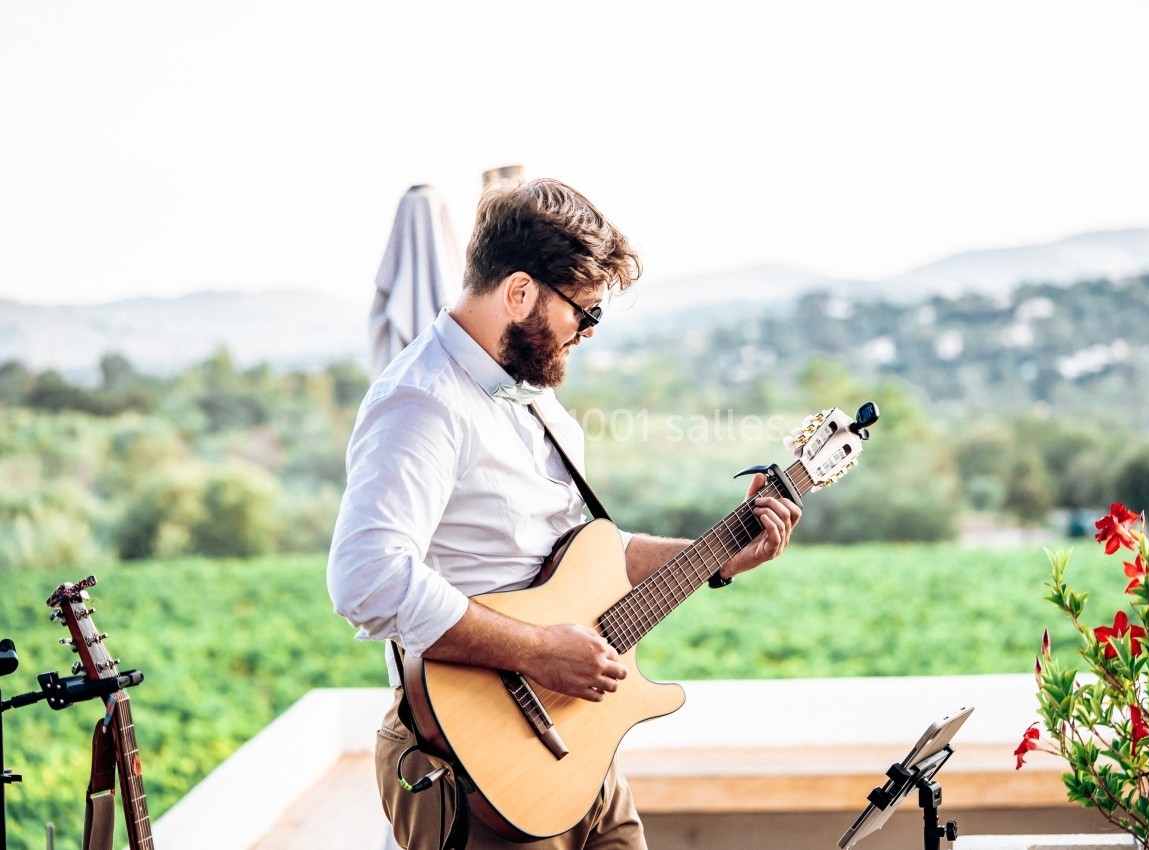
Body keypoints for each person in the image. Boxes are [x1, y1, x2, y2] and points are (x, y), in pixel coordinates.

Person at [327, 177, 802, 850]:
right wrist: (539, 652)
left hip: (578, 751)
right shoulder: (422, 402)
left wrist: (717, 554)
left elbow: (583, 560)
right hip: (476, 772)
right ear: (518, 292)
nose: (585, 331)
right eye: (584, 311)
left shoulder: (531, 397)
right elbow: (366, 579)